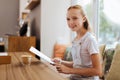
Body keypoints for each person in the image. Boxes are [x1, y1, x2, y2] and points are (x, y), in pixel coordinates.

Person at [52, 5, 102, 80]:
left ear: (84, 19)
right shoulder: (75, 40)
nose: (71, 22)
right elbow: (77, 64)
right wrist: (61, 62)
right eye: (68, 19)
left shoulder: (90, 40)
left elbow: (98, 71)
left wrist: (69, 71)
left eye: (75, 18)